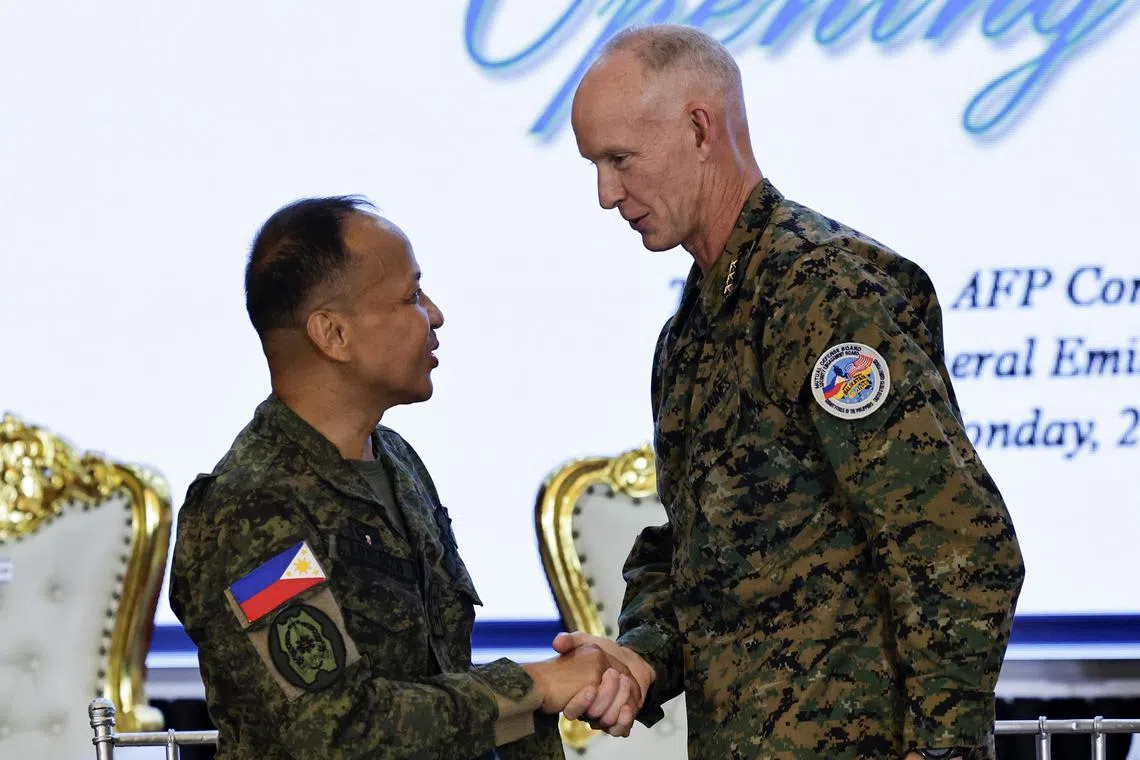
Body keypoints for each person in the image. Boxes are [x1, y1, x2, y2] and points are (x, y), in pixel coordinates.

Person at [555, 24, 1026, 760]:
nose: (606, 194)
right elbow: (700, 554)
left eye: (620, 160)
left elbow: (957, 542)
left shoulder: (825, 293)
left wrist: (942, 750)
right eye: (595, 166)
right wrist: (641, 658)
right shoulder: (693, 330)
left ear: (700, 129)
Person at [170, 197, 639, 759]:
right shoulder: (249, 507)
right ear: (332, 333)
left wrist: (563, 685)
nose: (435, 314)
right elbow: (335, 730)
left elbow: (441, 690)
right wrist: (533, 684)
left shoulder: (395, 459)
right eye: (411, 296)